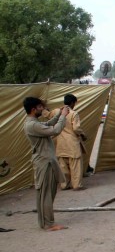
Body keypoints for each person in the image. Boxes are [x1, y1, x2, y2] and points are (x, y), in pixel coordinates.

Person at [23, 97, 70, 231]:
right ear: (33, 109)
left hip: (46, 160)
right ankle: (49, 224)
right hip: (44, 161)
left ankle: (46, 222)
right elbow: (54, 131)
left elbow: (47, 125)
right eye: (40, 107)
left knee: (48, 192)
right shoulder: (32, 125)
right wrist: (63, 117)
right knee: (46, 193)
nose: (42, 109)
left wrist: (59, 115)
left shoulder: (34, 123)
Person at [54, 94, 87, 190]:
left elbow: (48, 115)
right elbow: (76, 128)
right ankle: (77, 185)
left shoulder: (57, 112)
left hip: (60, 143)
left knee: (63, 166)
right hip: (72, 143)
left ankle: (64, 185)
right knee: (75, 165)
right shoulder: (73, 113)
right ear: (72, 103)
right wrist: (83, 134)